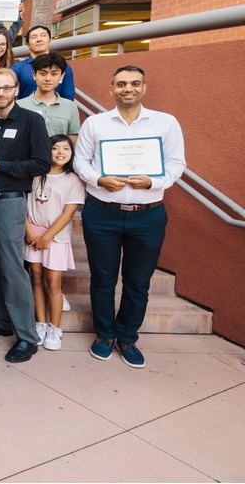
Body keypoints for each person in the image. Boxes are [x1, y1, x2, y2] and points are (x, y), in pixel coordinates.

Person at [73, 66, 185, 369]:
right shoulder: (95, 124)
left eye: (135, 83)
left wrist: (154, 182)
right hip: (102, 212)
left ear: (144, 88)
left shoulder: (166, 123)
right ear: (111, 89)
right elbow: (80, 161)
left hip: (147, 215)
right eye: (121, 84)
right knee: (103, 279)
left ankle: (127, 336)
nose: (128, 89)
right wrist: (99, 180)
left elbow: (176, 163)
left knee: (138, 281)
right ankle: (104, 335)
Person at [0, 68, 51, 363]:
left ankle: (27, 337)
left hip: (8, 203)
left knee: (12, 269)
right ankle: (0, 322)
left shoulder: (32, 121)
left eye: (6, 88)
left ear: (16, 89)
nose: (0, 93)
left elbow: (41, 163)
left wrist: (0, 165)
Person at [25, 134, 85, 351]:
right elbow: (22, 204)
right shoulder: (35, 174)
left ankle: (55, 327)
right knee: (37, 280)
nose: (60, 152)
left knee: (53, 283)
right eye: (55, 148)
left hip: (55, 237)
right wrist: (29, 233)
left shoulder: (73, 180)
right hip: (33, 235)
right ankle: (40, 324)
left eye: (66, 149)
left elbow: (68, 214)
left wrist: (46, 238)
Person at [17, 52, 80, 144]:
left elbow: (72, 143)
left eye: (54, 74)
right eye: (43, 73)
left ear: (62, 76)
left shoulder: (70, 107)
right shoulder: (19, 106)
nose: (48, 78)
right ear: (34, 75)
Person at [13, 26, 76, 100]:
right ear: (28, 45)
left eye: (43, 35)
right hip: (25, 110)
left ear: (49, 41)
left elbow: (68, 97)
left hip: (55, 110)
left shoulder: (63, 66)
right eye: (34, 37)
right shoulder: (17, 68)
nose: (39, 39)